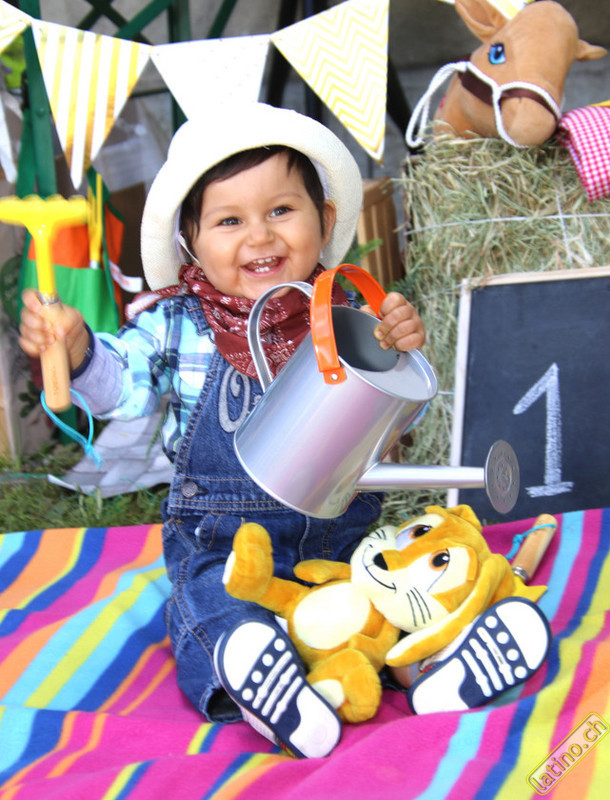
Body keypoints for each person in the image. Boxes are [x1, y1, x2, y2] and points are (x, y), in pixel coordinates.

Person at [19, 103, 425, 759]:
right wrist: (77, 348)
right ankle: (256, 664)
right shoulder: (178, 323)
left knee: (391, 589)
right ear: (191, 243)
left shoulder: (345, 312)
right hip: (225, 541)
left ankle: (428, 661)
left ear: (324, 221)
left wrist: (398, 356)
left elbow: (396, 418)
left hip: (339, 535)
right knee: (207, 602)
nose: (259, 236)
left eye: (281, 210)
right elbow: (122, 388)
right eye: (229, 221)